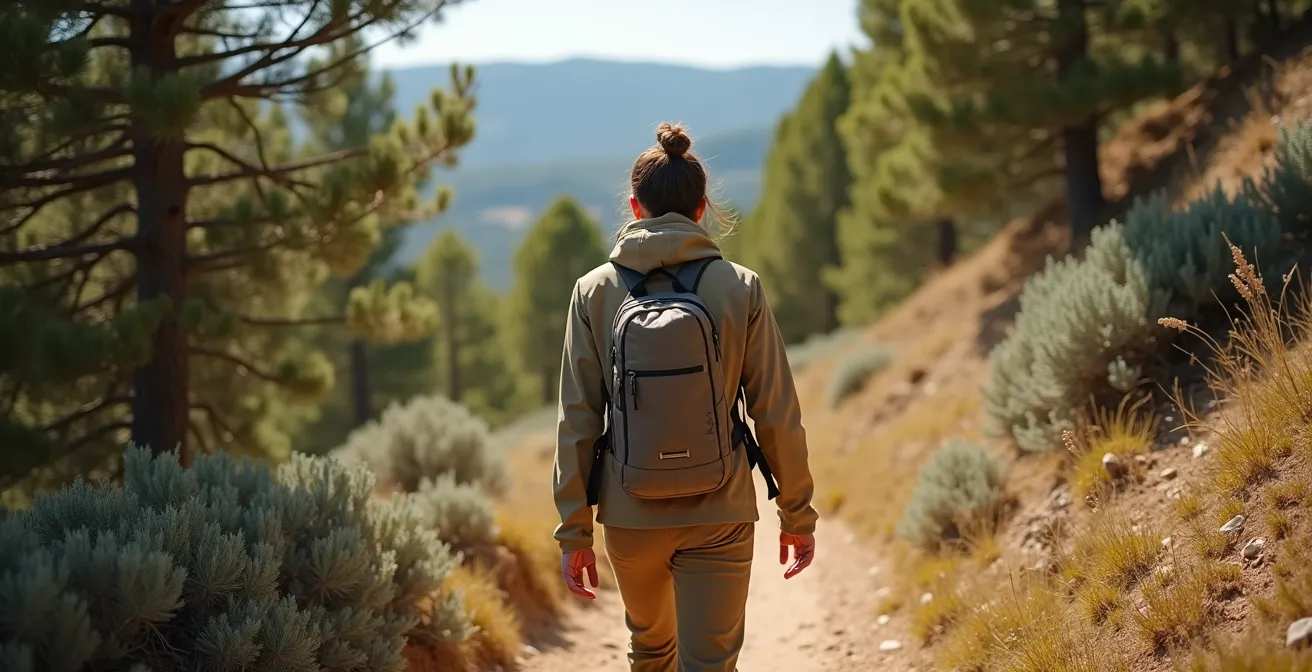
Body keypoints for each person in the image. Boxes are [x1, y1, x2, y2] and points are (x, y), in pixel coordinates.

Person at [551, 121, 819, 672]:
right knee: (712, 662)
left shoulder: (593, 290)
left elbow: (577, 418)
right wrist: (797, 514)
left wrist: (573, 529)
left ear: (633, 206)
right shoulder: (739, 286)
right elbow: (775, 411)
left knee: (651, 651)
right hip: (720, 508)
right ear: (702, 210)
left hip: (630, 512)